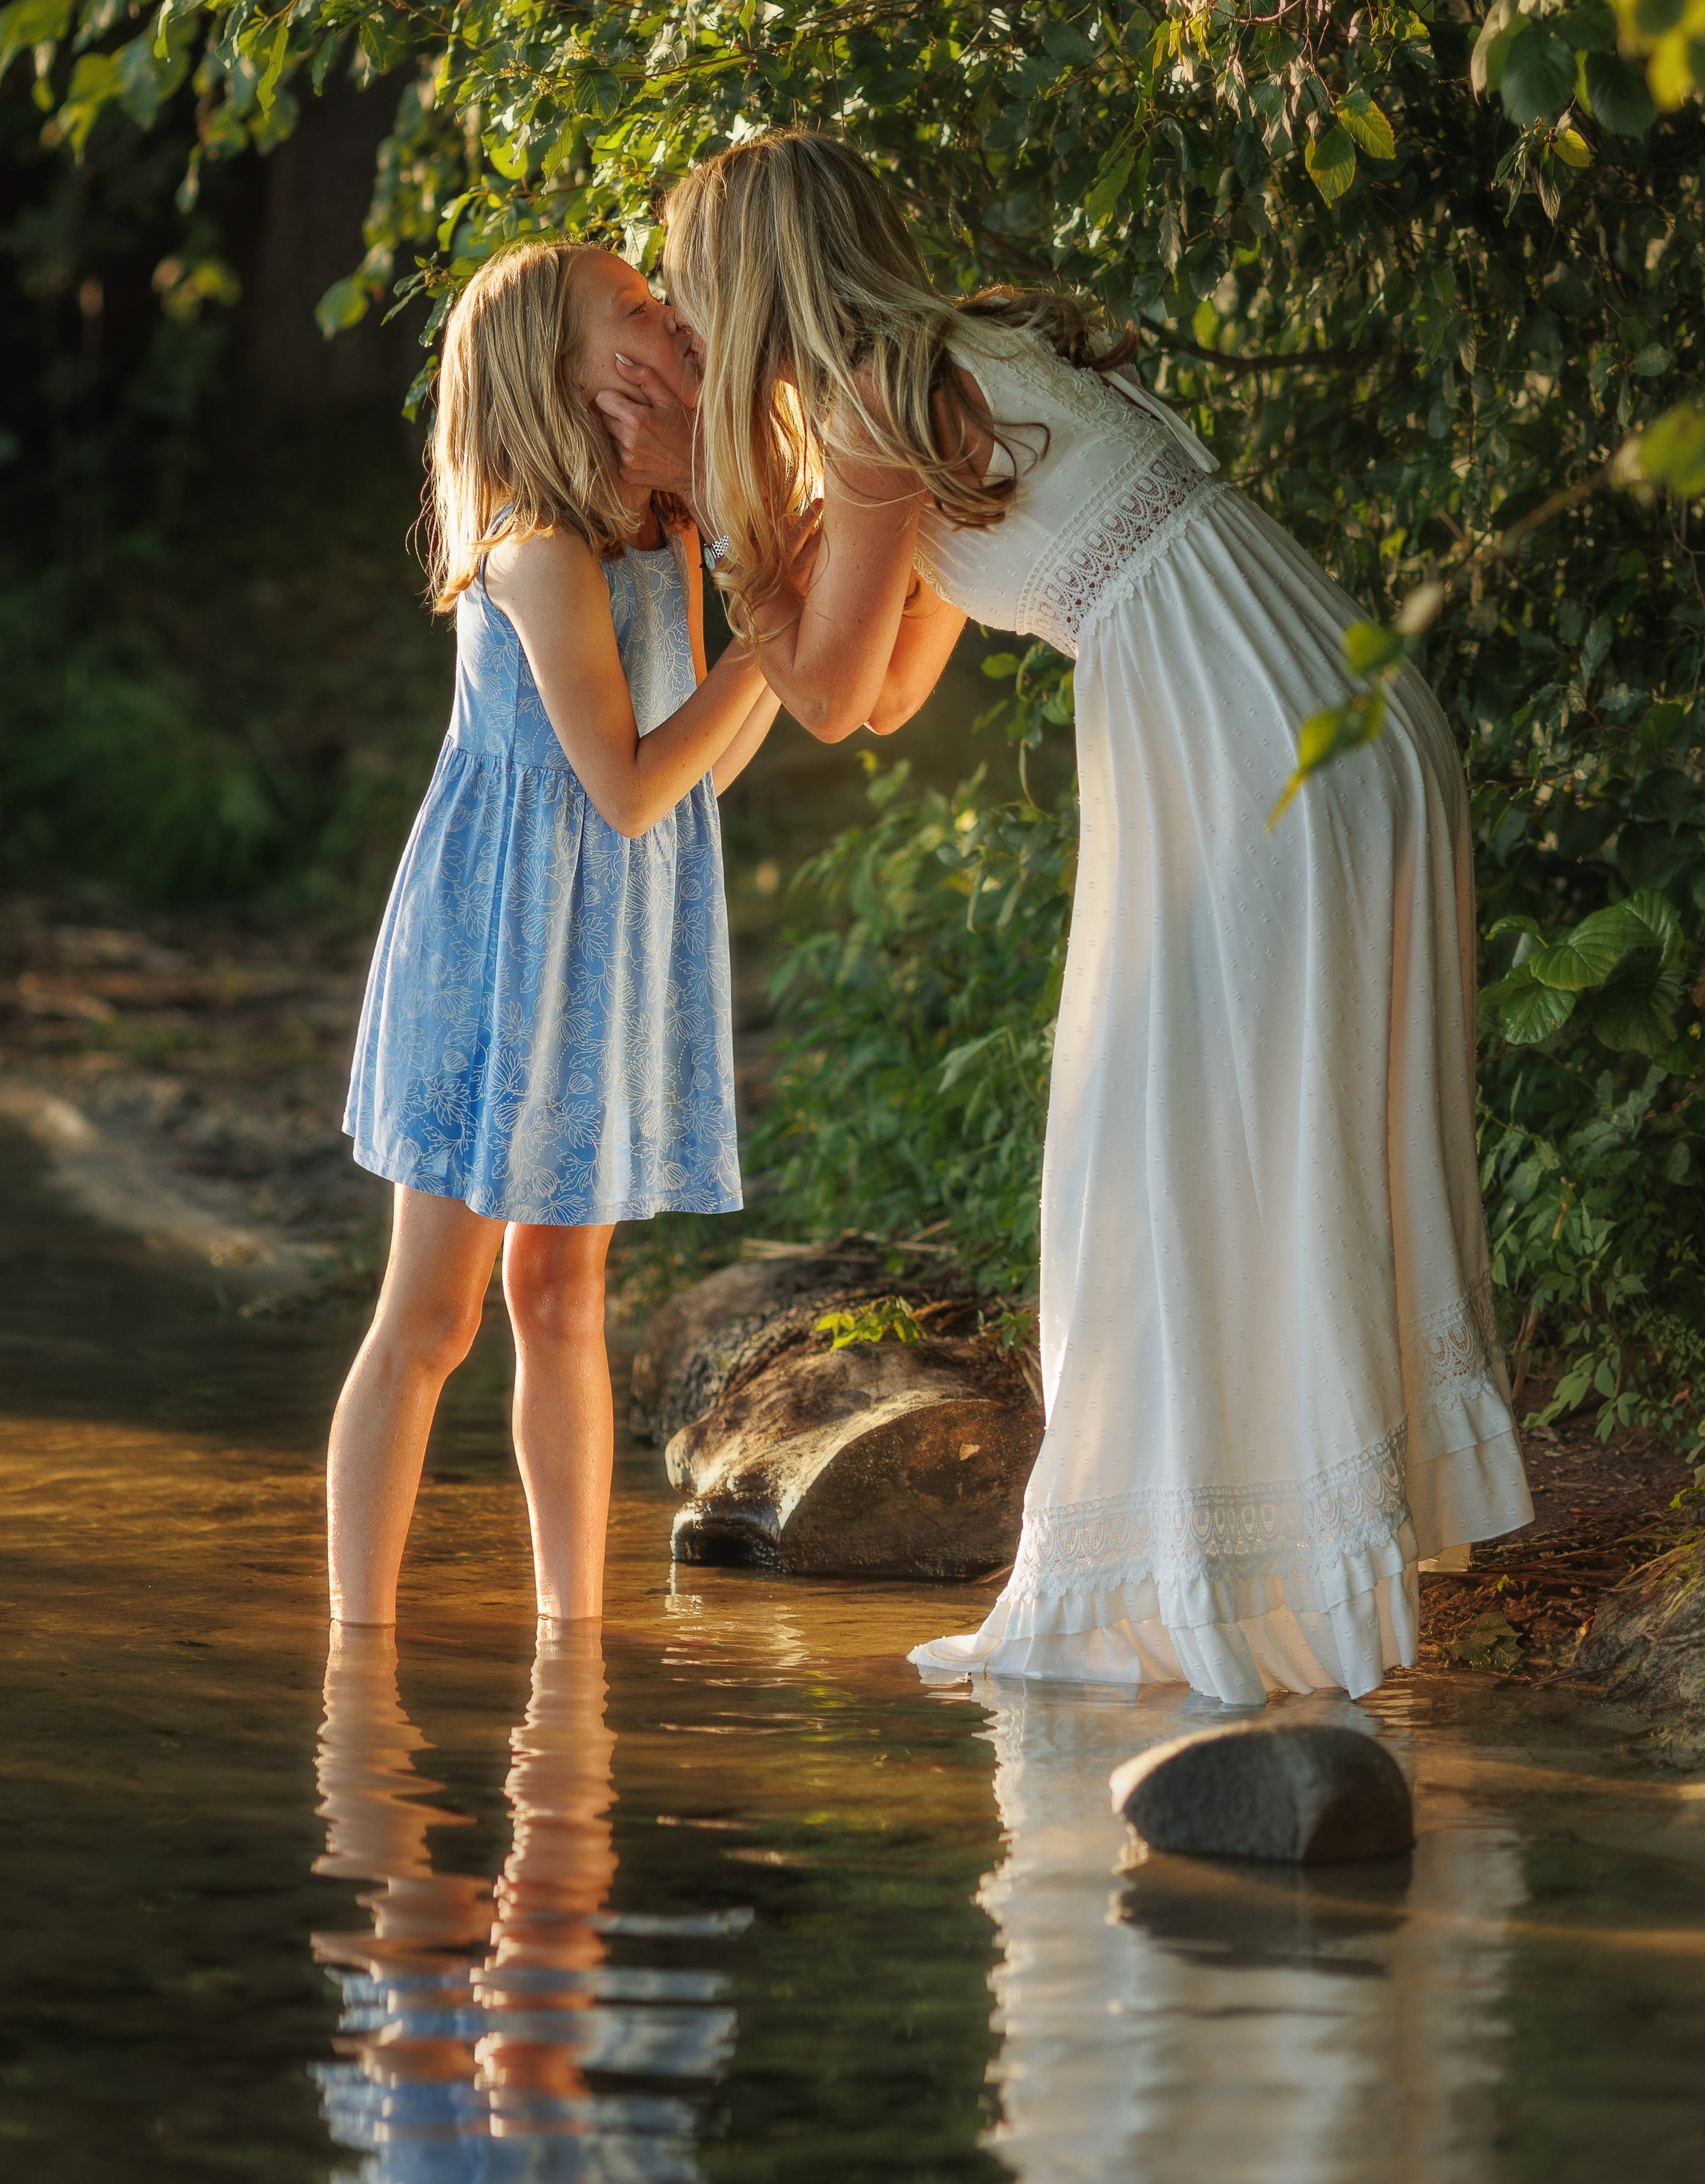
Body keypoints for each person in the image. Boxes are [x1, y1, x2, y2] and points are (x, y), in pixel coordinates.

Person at [598, 128, 1531, 1704]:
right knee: (1235, 1140)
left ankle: (1226, 1574)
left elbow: (819, 695)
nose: (687, 330)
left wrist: (710, 504)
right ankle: (1272, 1562)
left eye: (690, 292)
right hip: (1325, 716)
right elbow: (890, 691)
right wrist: (792, 531)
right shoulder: (950, 359)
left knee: (1170, 1148)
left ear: (750, 282)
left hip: (1248, 744)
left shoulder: (878, 405)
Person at [330, 241, 778, 1629]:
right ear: (561, 371)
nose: (665, 316)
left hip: (606, 946)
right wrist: (773, 637)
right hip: (493, 949)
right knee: (434, 1319)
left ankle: (570, 1649)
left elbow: (697, 773)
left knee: (563, 1294)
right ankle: (358, 1664)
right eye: (633, 309)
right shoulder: (532, 546)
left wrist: (751, 577)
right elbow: (633, 780)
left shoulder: (666, 527)